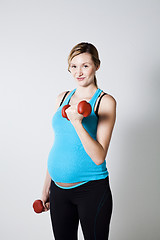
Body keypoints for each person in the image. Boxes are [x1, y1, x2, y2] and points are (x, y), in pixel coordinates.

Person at [41, 42, 117, 240]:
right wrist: (46, 187)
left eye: (85, 65)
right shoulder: (62, 98)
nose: (79, 72)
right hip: (58, 190)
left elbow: (99, 156)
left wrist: (77, 123)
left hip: (91, 189)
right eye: (74, 66)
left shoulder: (105, 101)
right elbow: (60, 144)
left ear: (96, 66)